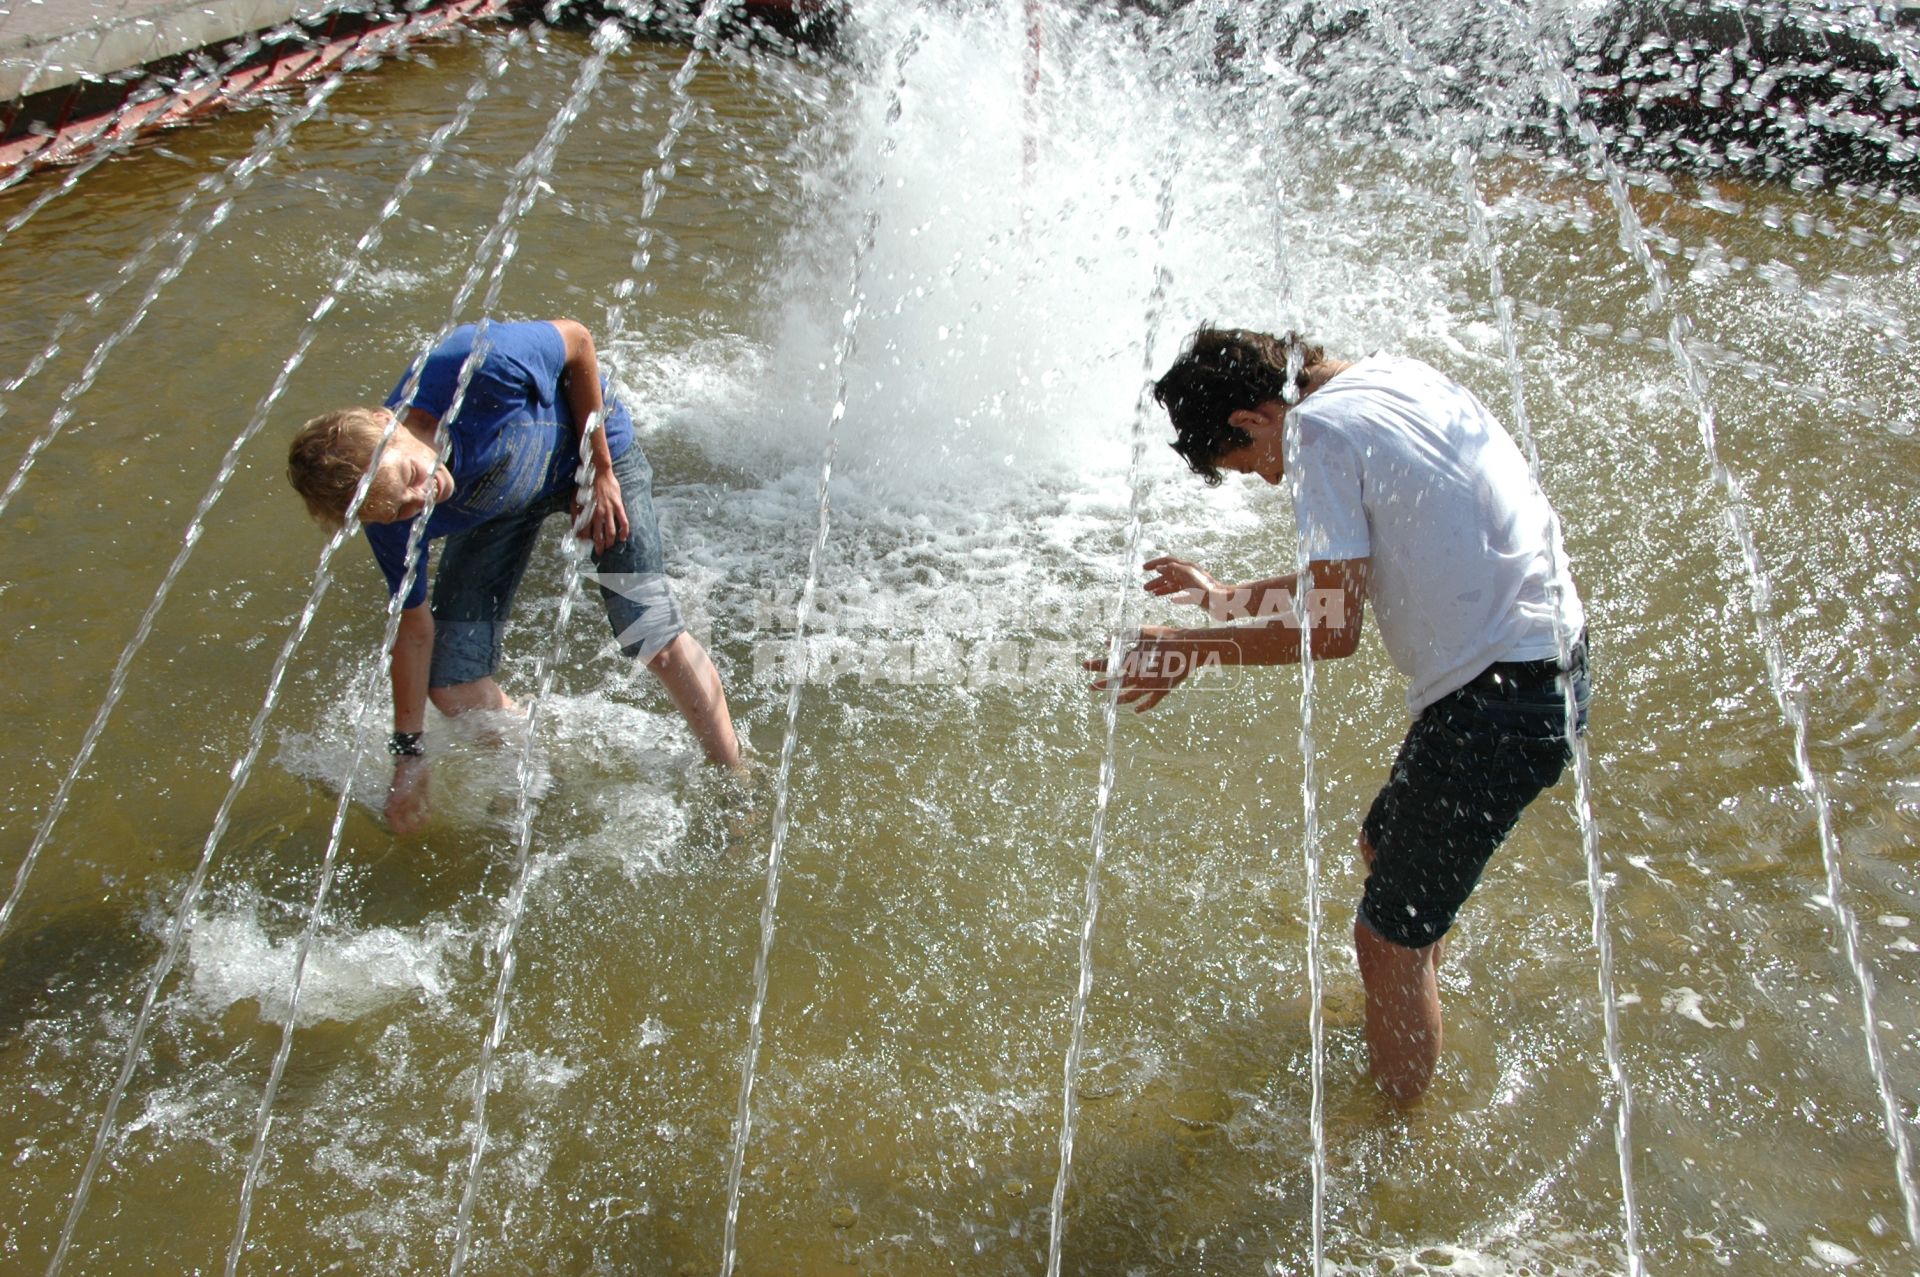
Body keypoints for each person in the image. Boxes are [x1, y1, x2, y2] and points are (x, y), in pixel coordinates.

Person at [1090, 326, 1588, 1103]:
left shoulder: (1317, 429)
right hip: (1538, 667)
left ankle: (1392, 1147)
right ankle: (1410, 999)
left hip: (1497, 699)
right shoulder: (1392, 380)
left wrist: (1195, 647)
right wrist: (1222, 599)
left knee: (1384, 939)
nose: (1265, 478)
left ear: (1256, 419)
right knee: (1380, 848)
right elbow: (1343, 576)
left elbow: (1332, 629)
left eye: (1249, 462)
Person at [287, 318, 740, 834]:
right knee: (452, 683)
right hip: (499, 499)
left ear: (384, 421)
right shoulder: (390, 512)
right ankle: (548, 776)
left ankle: (734, 779)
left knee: (650, 636)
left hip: (594, 454)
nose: (422, 499)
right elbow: (412, 632)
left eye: (410, 477)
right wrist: (408, 757)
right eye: (399, 511)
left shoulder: (471, 364)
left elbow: (577, 341)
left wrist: (599, 469)